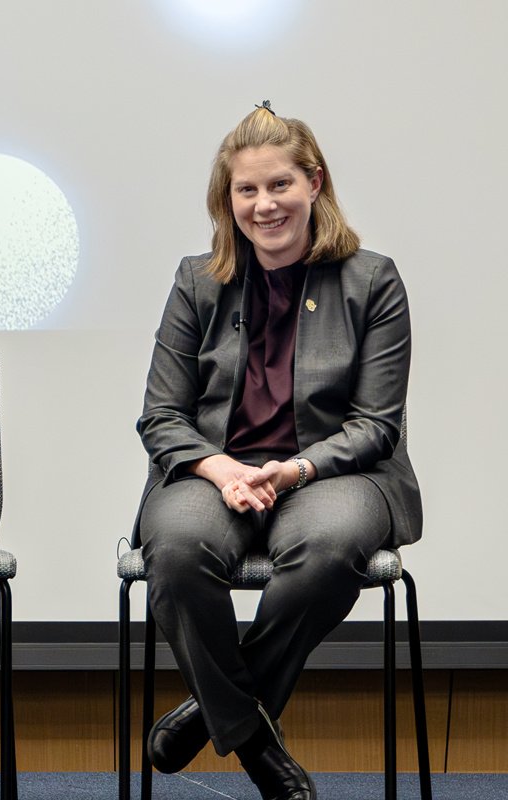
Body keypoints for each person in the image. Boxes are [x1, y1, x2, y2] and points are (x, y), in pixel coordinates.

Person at [134, 103, 420, 800]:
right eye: (247, 190)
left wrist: (294, 469)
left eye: (280, 186)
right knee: (174, 550)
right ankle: (260, 746)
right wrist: (223, 468)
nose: (264, 205)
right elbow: (162, 416)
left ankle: (214, 713)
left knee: (329, 546)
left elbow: (375, 424)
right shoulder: (197, 280)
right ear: (226, 199)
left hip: (334, 471)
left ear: (314, 183)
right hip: (215, 473)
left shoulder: (372, 280)